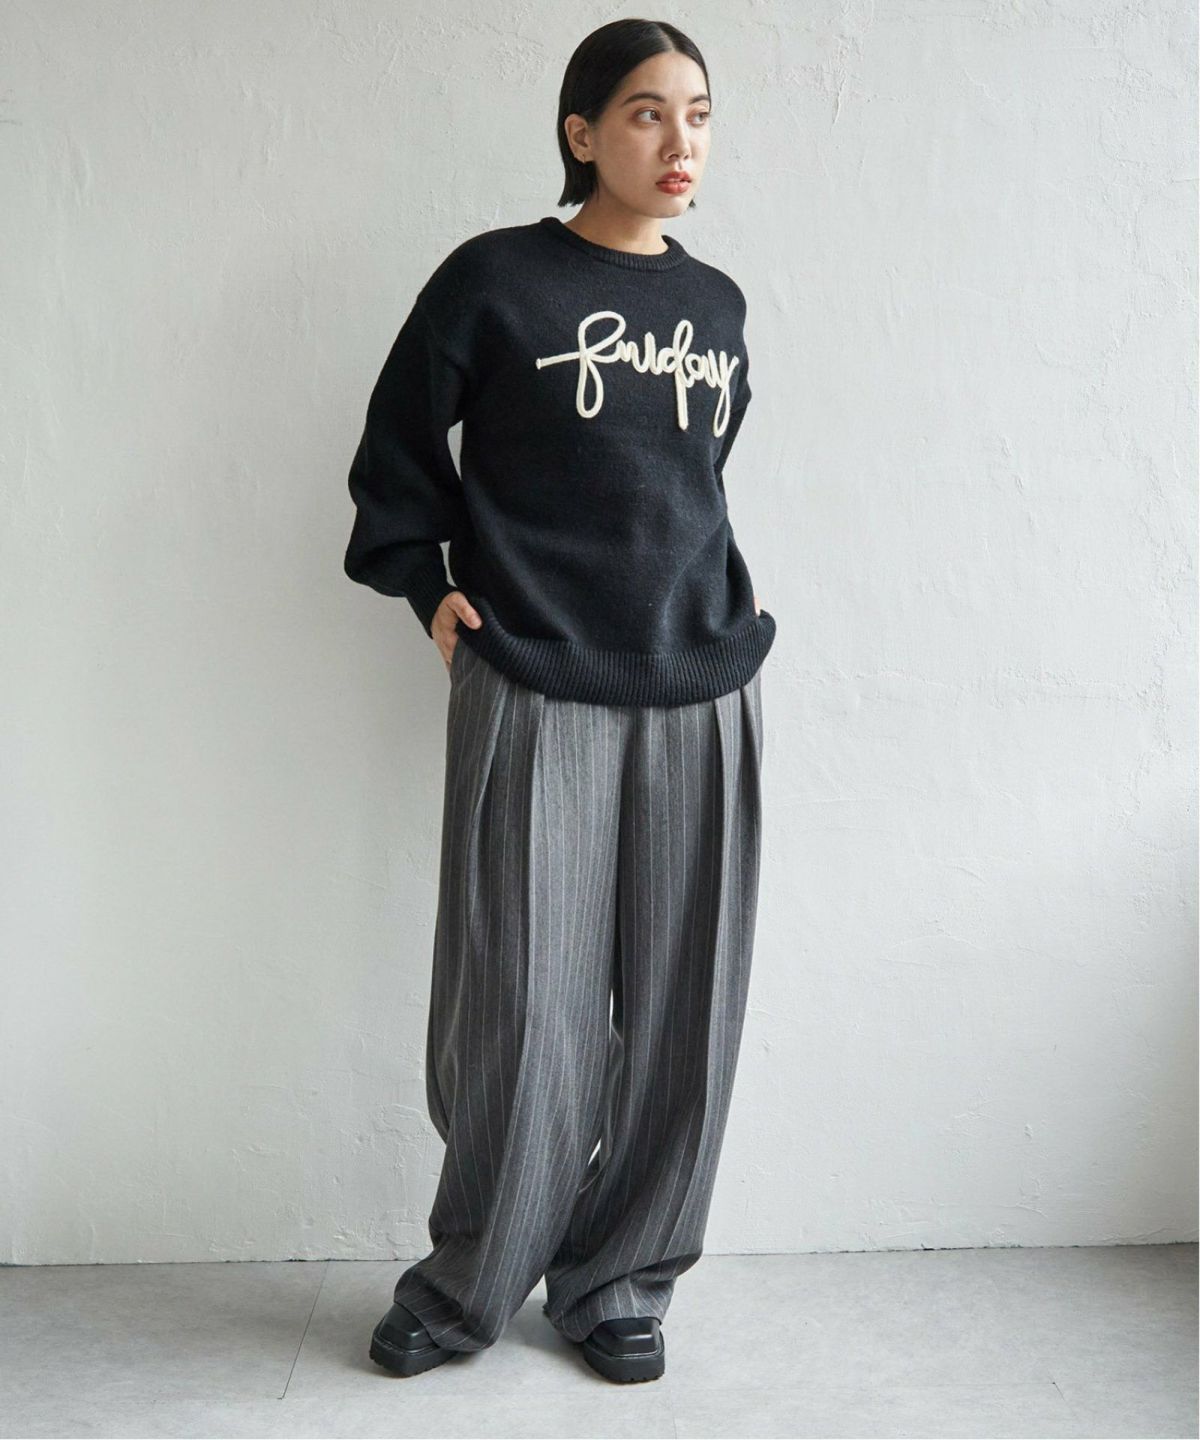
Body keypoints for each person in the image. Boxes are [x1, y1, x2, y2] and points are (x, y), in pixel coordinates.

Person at [343, 17, 775, 1385]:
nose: (680, 140)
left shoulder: (718, 308)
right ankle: (472, 1280)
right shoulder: (496, 281)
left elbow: (694, 485)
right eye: (647, 113)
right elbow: (396, 453)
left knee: (683, 1009)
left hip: (702, 681)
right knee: (522, 1010)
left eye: (697, 113)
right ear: (582, 133)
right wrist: (429, 588)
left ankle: (622, 1280)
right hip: (535, 674)